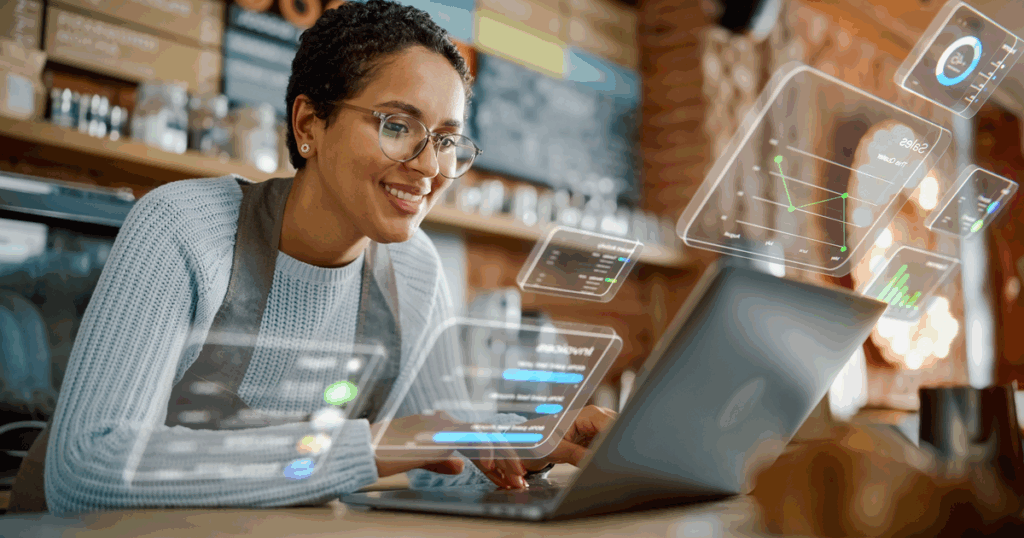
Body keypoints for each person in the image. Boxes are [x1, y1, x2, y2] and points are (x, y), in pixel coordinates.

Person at [19, 0, 616, 516]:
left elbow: (435, 461)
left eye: (447, 141)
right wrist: (368, 445)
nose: (431, 167)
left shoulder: (415, 271)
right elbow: (86, 469)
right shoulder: (182, 228)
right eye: (397, 125)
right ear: (310, 124)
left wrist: (529, 445)